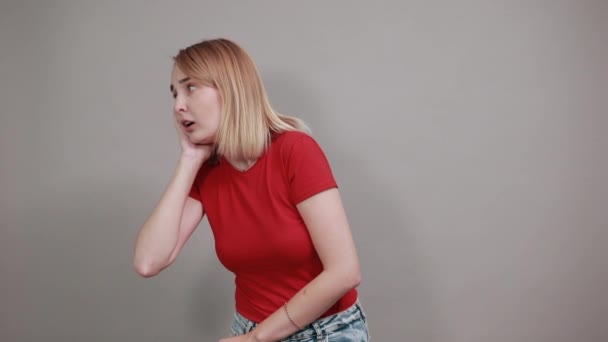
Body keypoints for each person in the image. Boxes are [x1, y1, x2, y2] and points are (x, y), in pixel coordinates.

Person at [133, 38, 369, 341]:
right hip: (249, 330)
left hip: (324, 333)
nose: (178, 105)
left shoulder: (295, 151)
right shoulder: (207, 173)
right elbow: (148, 261)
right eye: (174, 93)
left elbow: (345, 272)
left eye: (190, 87)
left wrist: (257, 338)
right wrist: (189, 160)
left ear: (229, 88)